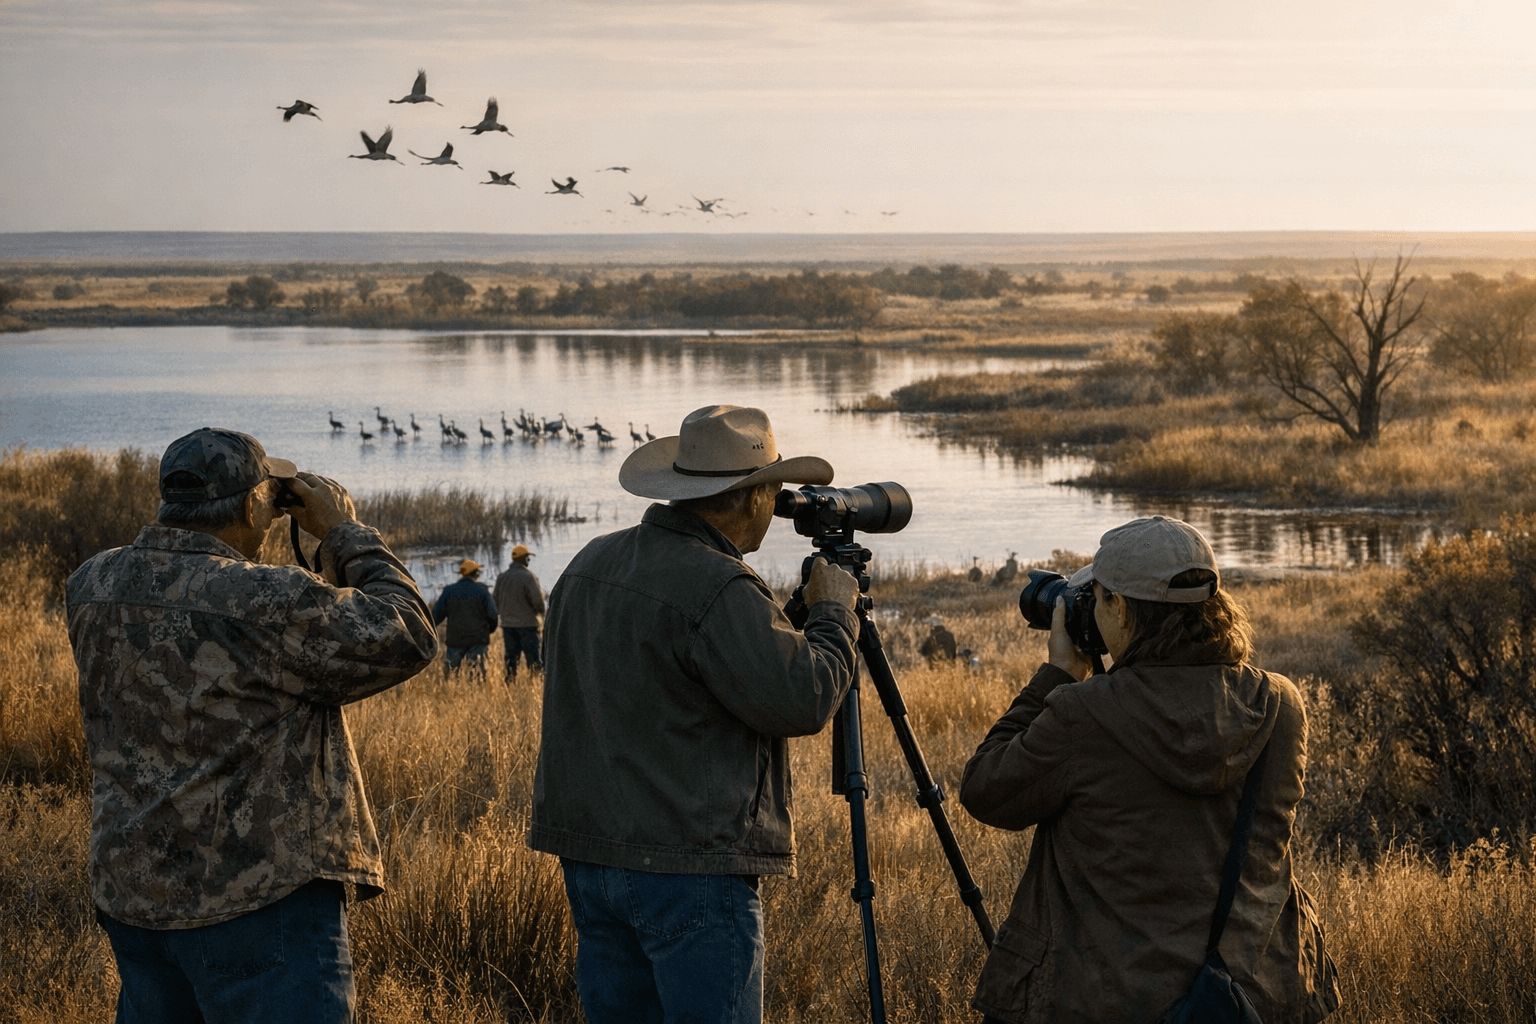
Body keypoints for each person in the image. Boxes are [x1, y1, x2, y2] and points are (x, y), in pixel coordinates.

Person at [66, 426, 439, 1023]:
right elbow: (408, 633)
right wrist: (344, 532)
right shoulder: (266, 598)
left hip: (134, 892)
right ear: (249, 504)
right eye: (267, 504)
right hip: (258, 901)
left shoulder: (92, 584)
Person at [528, 404, 862, 1024]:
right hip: (691, 868)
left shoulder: (587, 564)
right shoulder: (719, 586)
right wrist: (836, 612)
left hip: (592, 857)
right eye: (775, 490)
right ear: (752, 497)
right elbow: (805, 697)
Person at [959, 516, 1338, 1024]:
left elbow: (986, 790)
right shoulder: (1280, 705)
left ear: (1118, 606)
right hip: (1250, 994)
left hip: (1106, 999)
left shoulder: (1085, 714)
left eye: (1097, 597)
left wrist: (1055, 676)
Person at [433, 558, 499, 675]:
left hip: (455, 640)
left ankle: (451, 692)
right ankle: (477, 693)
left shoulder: (449, 591)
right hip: (478, 639)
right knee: (477, 676)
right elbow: (493, 614)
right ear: (476, 573)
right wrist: (489, 630)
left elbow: (436, 616)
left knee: (451, 676)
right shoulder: (482, 590)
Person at [493, 543, 545, 679]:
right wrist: (543, 615)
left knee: (511, 661)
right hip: (528, 626)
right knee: (534, 662)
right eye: (527, 558)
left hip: (508, 626)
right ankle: (535, 687)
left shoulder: (502, 577)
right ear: (523, 559)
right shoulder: (529, 577)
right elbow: (538, 602)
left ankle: (510, 686)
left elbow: (495, 602)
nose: (528, 560)